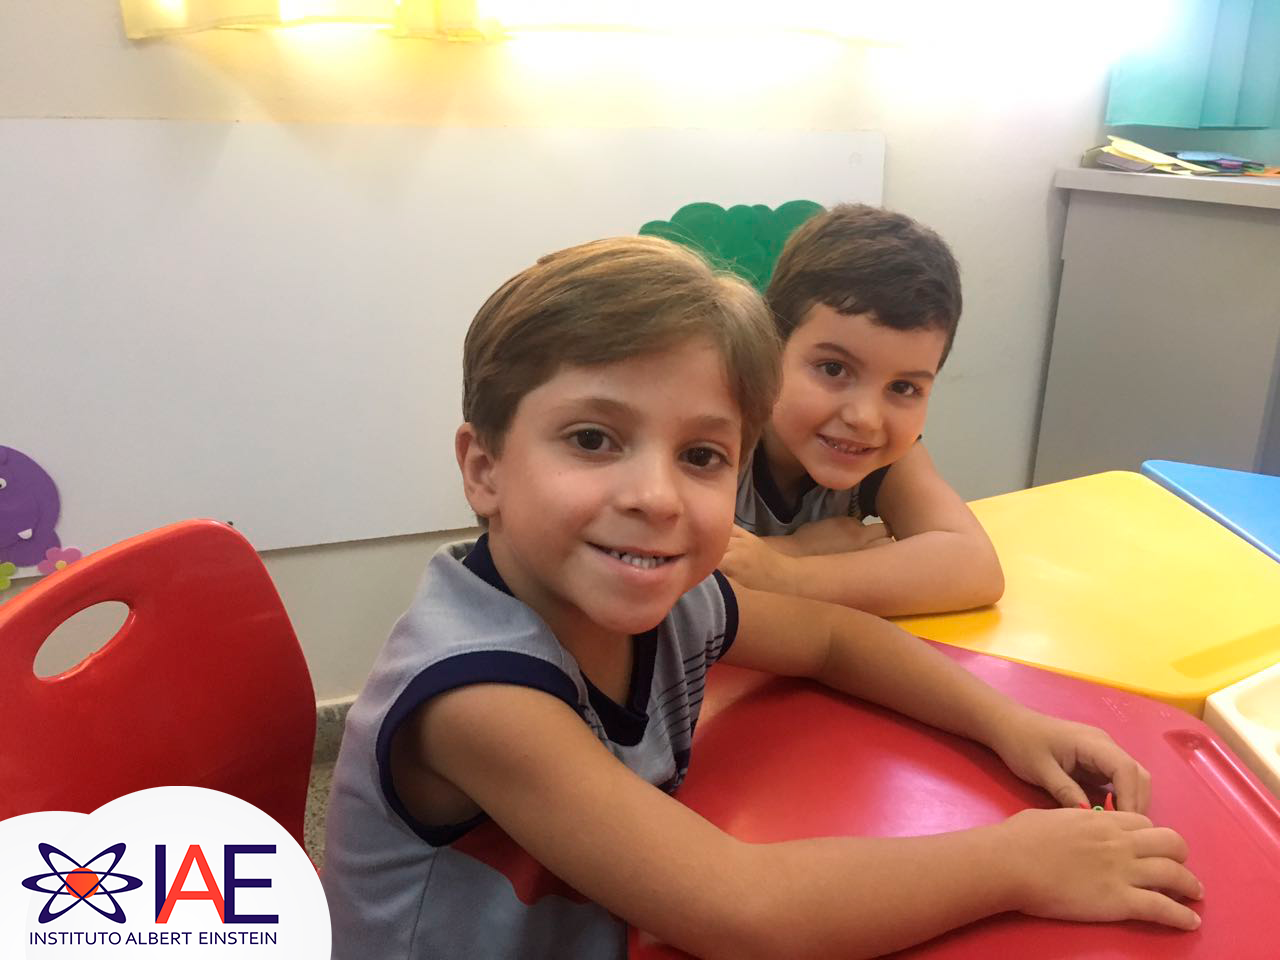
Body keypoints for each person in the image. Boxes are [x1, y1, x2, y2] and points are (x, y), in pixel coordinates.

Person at [321, 236, 1200, 960]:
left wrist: (1010, 723)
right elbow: (744, 911)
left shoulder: (678, 598)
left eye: (702, 457)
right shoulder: (479, 694)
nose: (657, 497)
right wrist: (1017, 861)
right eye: (593, 439)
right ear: (484, 468)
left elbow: (833, 640)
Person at [722, 204, 1004, 617]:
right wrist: (802, 548)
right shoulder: (715, 432)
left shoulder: (885, 459)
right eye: (834, 369)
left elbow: (975, 568)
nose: (865, 419)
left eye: (903, 387)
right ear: (769, 348)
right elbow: (658, 568)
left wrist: (788, 575)